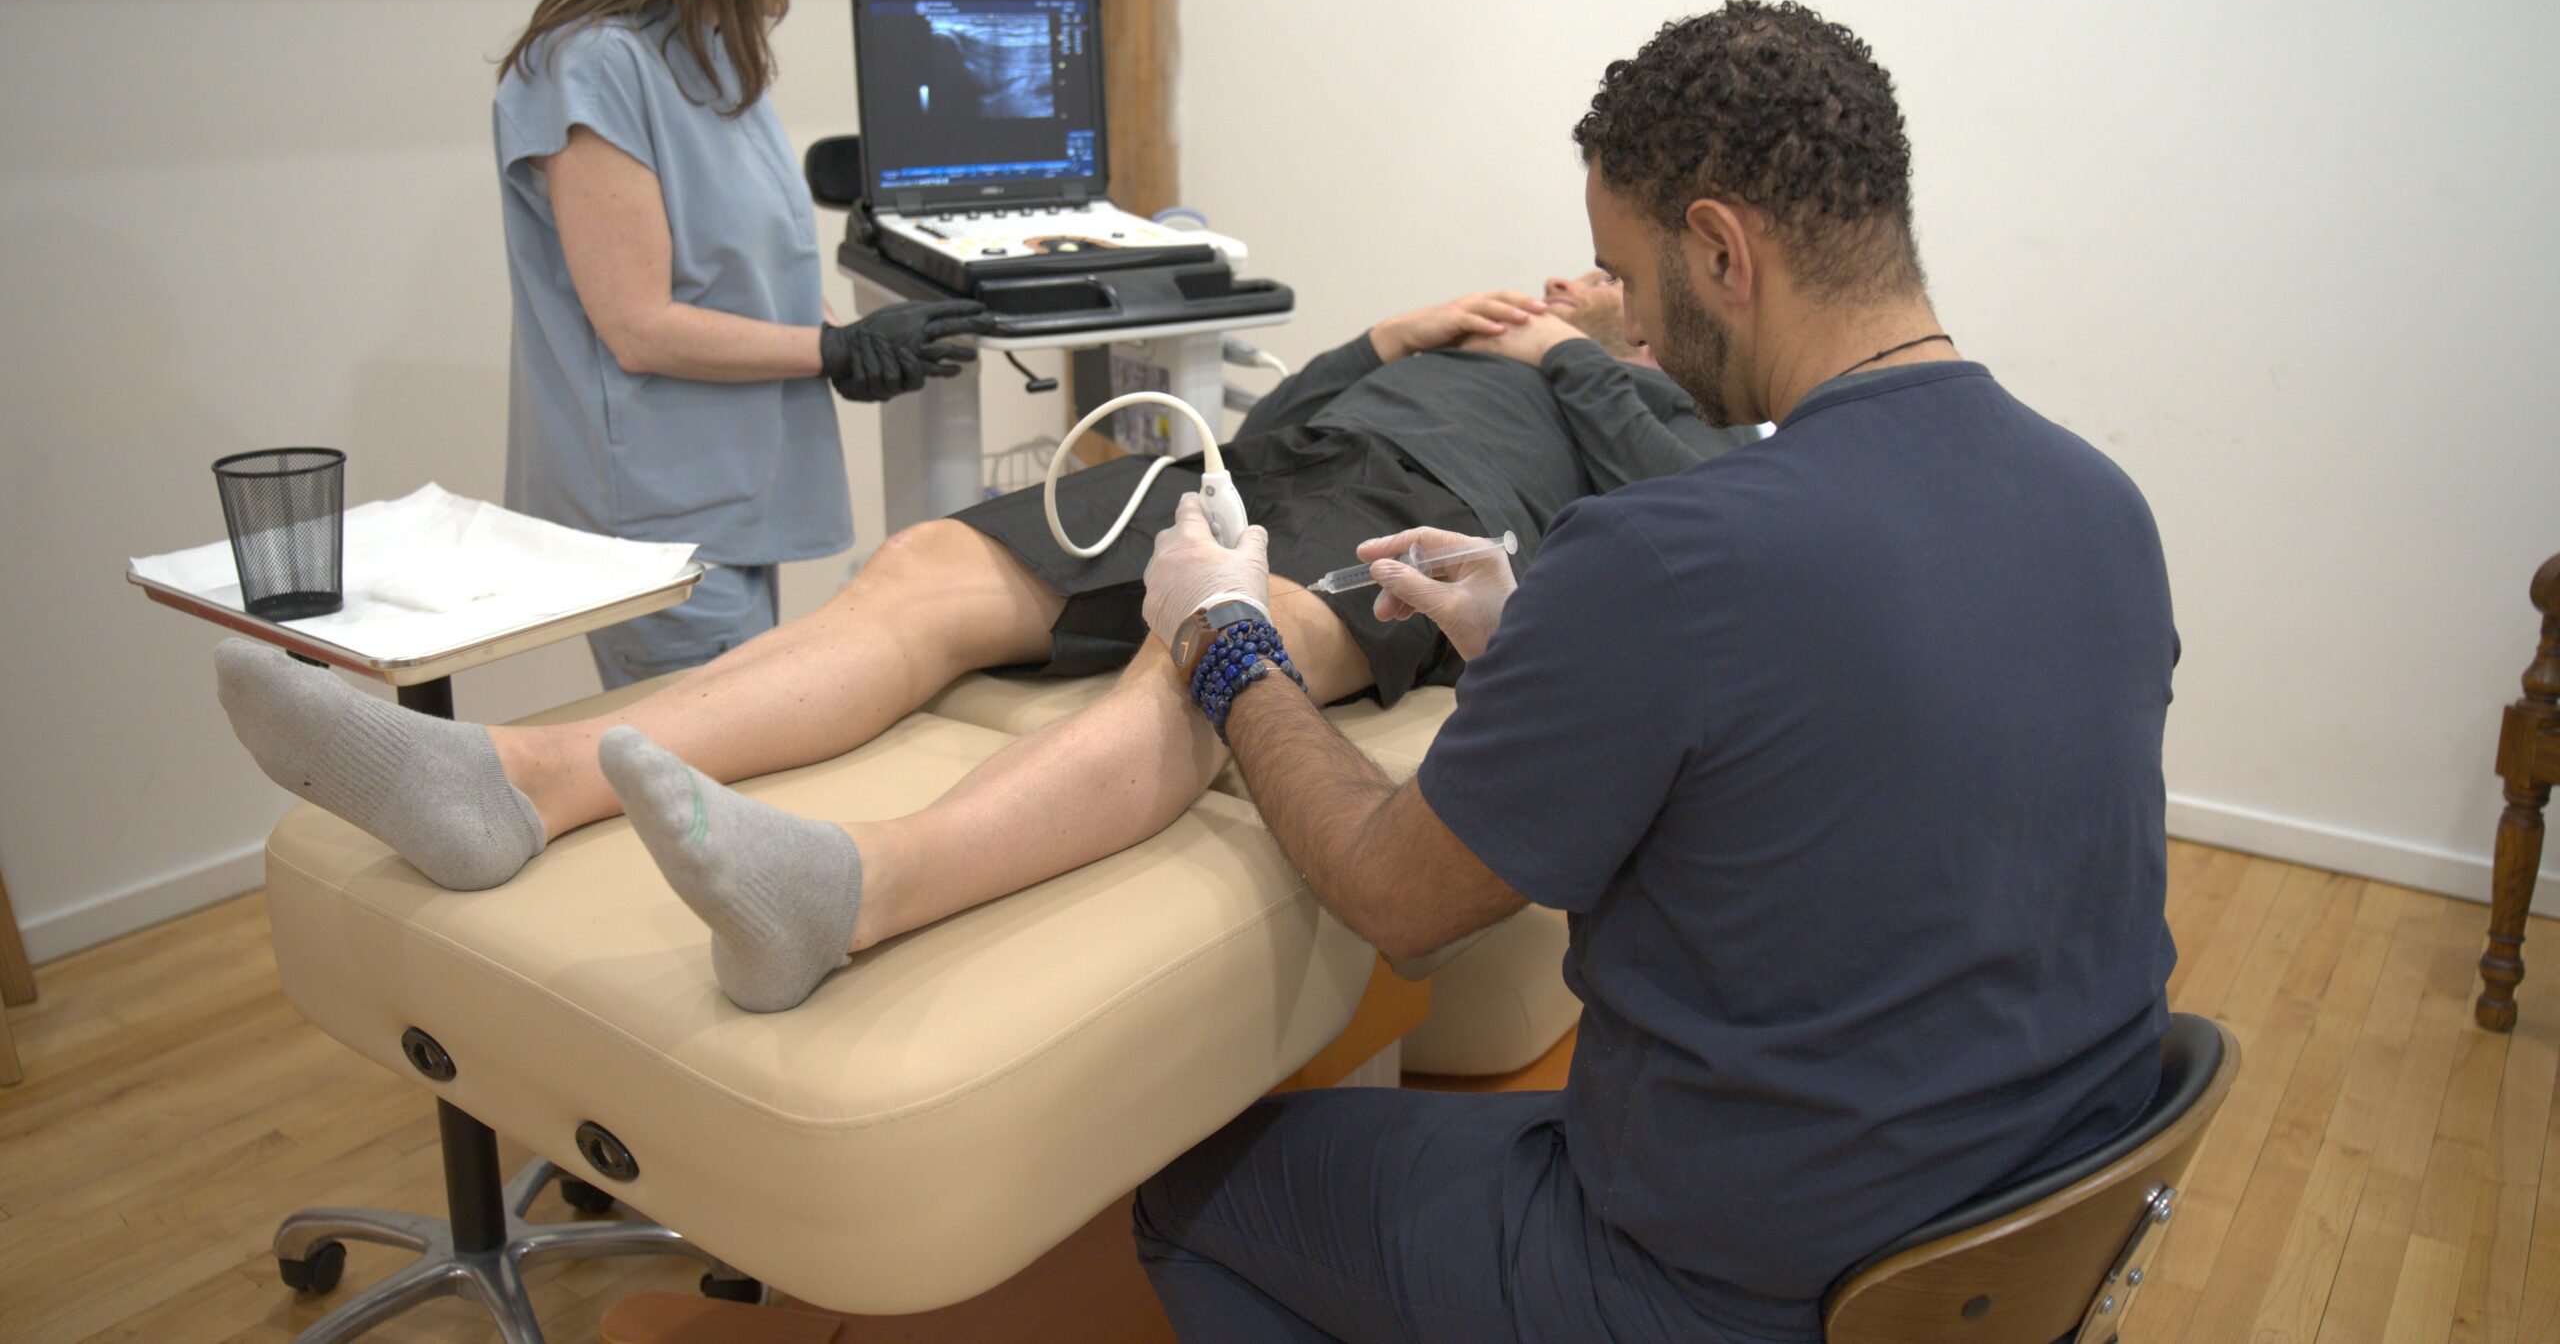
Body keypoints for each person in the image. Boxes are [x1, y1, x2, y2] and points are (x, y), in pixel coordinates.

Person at [1129, 0, 2179, 1342]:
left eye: (1622, 274)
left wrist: (1224, 635)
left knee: (1194, 1199)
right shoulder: (2103, 504)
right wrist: (1542, 643)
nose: (1624, 316)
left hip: (1740, 1290)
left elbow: (1401, 900)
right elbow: (1847, 750)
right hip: (2029, 1240)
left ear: (1721, 250)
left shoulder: (1666, 555)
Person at [213, 272, 1757, 1010]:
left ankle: (854, 891)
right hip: (1247, 463)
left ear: (1647, 327)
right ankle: (516, 780)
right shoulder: (1450, 344)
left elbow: (1695, 488)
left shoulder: (1644, 398)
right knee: (923, 570)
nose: (1564, 280)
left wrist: (1571, 358)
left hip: (1408, 526)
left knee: (1210, 656)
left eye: (1600, 281)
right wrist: (1385, 339)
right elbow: (1277, 414)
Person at [493, 0, 985, 686]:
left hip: (737, 488)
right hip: (659, 516)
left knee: (744, 732)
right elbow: (639, 325)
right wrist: (828, 351)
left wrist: (846, 342)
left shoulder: (711, 52)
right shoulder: (594, 65)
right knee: (709, 753)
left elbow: (743, 267)